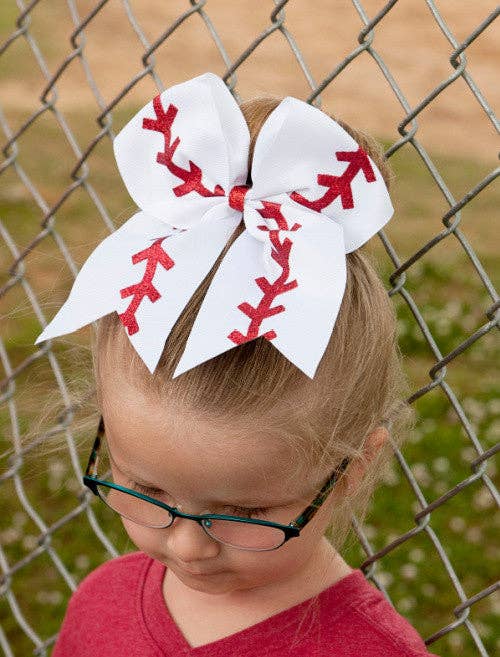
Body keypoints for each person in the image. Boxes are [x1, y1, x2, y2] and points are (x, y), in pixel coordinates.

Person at [35, 72, 440, 656]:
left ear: (350, 469)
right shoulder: (100, 603)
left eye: (246, 512)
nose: (188, 548)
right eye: (145, 488)